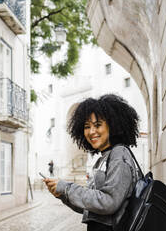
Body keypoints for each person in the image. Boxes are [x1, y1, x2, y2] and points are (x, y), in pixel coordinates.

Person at [43, 94, 140, 231]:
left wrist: (67, 188)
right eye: (87, 126)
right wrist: (63, 195)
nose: (91, 132)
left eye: (98, 125)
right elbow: (92, 207)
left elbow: (108, 202)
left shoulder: (119, 154)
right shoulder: (103, 158)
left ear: (112, 126)